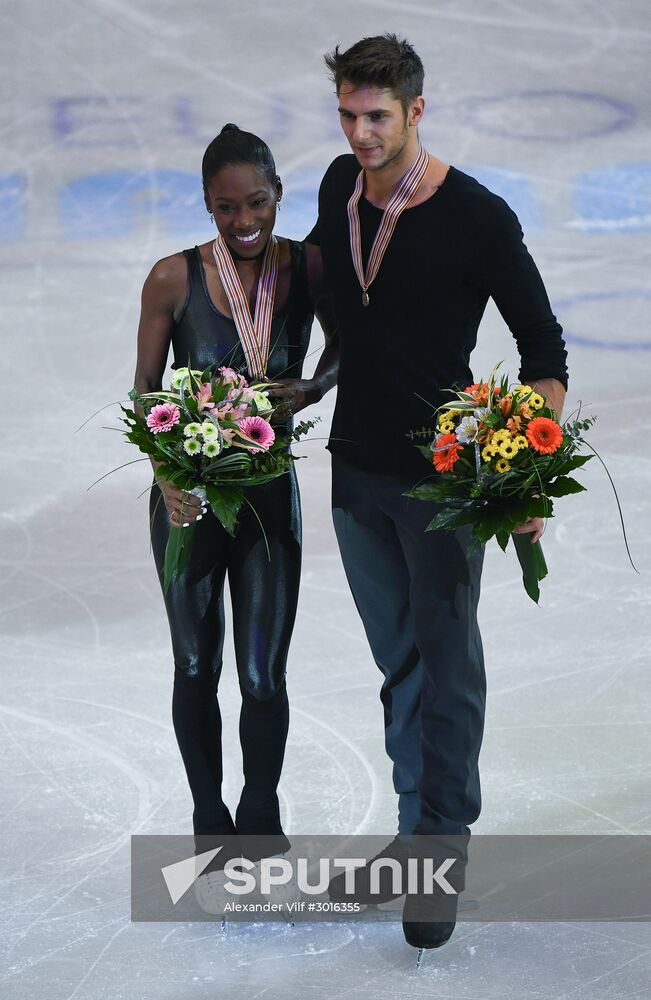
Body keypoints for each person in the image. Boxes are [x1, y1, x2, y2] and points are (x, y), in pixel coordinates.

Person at [305, 34, 568, 951]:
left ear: (416, 110)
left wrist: (526, 473)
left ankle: (439, 848)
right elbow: (335, 303)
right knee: (401, 666)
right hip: (354, 474)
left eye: (376, 116)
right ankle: (413, 829)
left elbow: (544, 352)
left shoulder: (476, 217)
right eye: (348, 114)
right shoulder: (338, 187)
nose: (360, 133)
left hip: (442, 487)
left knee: (447, 666)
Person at [132, 124, 337, 904]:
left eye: (256, 203)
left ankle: (260, 814)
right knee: (195, 666)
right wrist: (166, 475)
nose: (243, 221)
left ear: (278, 194)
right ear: (206, 205)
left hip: (267, 497)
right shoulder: (171, 278)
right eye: (225, 208)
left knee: (260, 675)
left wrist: (312, 388)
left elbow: (348, 346)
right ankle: (207, 819)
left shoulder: (309, 267)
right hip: (189, 498)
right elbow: (146, 390)